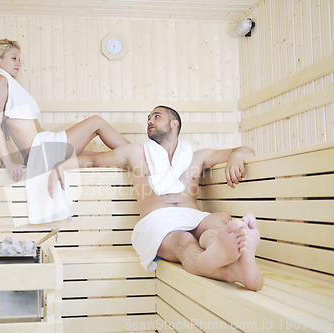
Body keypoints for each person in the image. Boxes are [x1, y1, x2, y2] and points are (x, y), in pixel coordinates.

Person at [49, 105, 264, 291]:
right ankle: (228, 266)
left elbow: (245, 151)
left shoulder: (197, 156)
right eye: (148, 119)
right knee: (184, 241)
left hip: (192, 216)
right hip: (157, 222)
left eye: (156, 116)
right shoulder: (135, 153)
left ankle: (227, 255)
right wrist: (60, 165)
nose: (150, 121)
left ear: (174, 124)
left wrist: (236, 155)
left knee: (218, 220)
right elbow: (94, 160)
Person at [0, 39, 129, 182]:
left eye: (19, 59)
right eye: (13, 58)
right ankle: (146, 155)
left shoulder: (9, 83)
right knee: (96, 122)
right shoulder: (0, 81)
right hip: (43, 150)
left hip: (42, 151)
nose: (18, 63)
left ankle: (140, 160)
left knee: (104, 157)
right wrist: (8, 163)